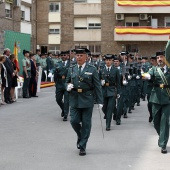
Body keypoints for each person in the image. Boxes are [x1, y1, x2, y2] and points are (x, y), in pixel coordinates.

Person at [65, 48, 103, 156]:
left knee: (86, 123)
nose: (79, 57)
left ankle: (82, 146)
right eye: (77, 55)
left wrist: (100, 101)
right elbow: (66, 82)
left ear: (86, 57)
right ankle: (81, 135)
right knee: (74, 121)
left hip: (87, 99)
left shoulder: (92, 69)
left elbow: (97, 86)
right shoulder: (71, 69)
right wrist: (67, 86)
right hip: (74, 98)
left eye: (81, 55)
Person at [142, 50, 170, 154]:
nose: (159, 59)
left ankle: (163, 144)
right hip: (156, 98)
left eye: (161, 57)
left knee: (165, 121)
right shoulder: (154, 69)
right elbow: (148, 75)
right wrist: (145, 76)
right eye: (158, 58)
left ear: (165, 58)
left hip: (167, 98)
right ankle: (162, 136)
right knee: (156, 122)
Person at [99, 54, 120, 129]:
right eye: (106, 60)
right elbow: (98, 80)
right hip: (104, 90)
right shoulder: (101, 70)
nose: (108, 62)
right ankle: (112, 115)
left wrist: (118, 92)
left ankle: (108, 125)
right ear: (105, 61)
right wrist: (101, 82)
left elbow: (118, 82)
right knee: (104, 108)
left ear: (112, 61)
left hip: (112, 90)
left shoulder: (115, 70)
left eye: (109, 60)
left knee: (110, 108)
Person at [54, 51, 70, 121]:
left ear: (67, 56)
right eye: (62, 55)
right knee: (58, 99)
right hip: (59, 83)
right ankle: (63, 109)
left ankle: (65, 115)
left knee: (66, 100)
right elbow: (55, 73)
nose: (63, 56)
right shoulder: (58, 63)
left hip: (67, 83)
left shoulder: (71, 64)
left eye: (64, 55)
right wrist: (55, 82)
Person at [146, 56, 157, 123]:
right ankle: (151, 115)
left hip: (158, 88)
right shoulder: (151, 68)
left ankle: (156, 117)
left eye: (153, 60)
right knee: (150, 104)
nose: (151, 62)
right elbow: (147, 75)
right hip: (150, 87)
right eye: (151, 61)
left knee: (156, 104)